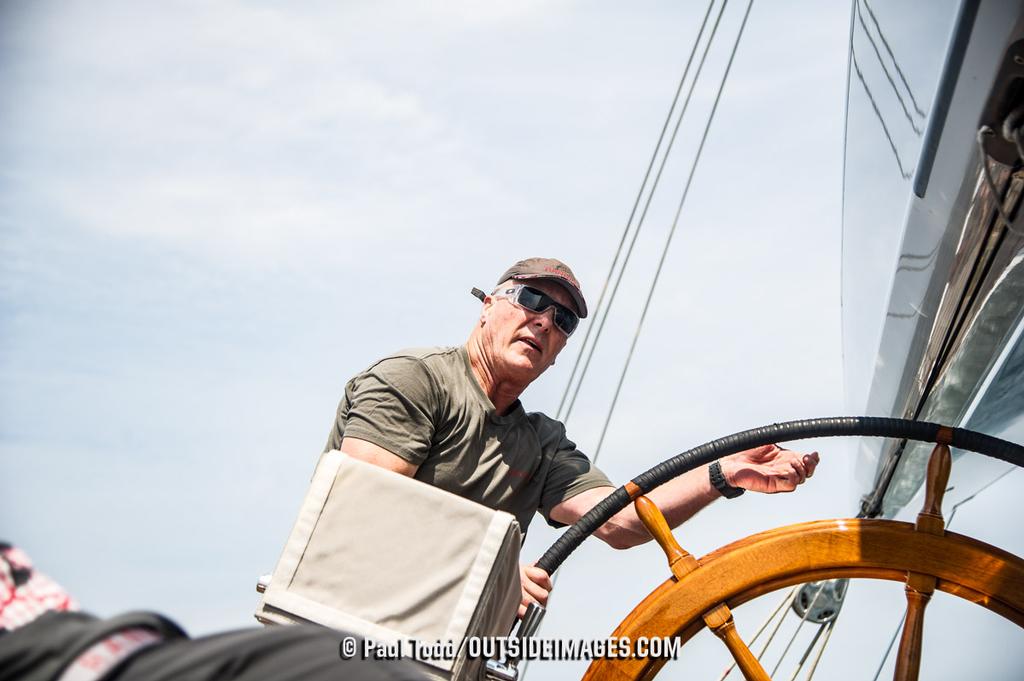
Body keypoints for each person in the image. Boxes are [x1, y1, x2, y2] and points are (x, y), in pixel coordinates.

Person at [325, 258, 819, 616]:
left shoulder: (540, 442)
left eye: (563, 320)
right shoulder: (415, 381)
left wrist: (724, 473)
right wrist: (490, 572)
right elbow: (367, 505)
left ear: (558, 350)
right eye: (531, 299)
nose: (543, 319)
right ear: (488, 306)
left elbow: (621, 520)